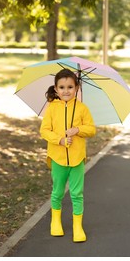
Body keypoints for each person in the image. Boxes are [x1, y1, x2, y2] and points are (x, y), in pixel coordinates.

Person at [40, 68, 96, 242]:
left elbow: (92, 129)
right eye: (62, 87)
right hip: (58, 158)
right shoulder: (51, 109)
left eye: (70, 87)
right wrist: (60, 140)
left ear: (77, 87)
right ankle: (55, 221)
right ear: (56, 89)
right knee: (57, 192)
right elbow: (44, 130)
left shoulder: (82, 108)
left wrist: (78, 130)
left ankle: (77, 226)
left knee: (77, 193)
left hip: (77, 158)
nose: (66, 91)